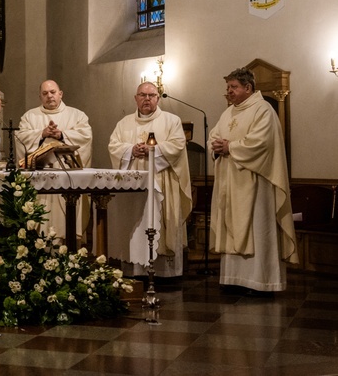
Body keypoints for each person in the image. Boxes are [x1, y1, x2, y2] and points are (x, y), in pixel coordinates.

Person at [209, 67, 298, 296]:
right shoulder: (228, 113)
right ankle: (233, 278)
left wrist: (231, 147)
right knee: (231, 225)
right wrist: (217, 147)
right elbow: (215, 136)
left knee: (257, 228)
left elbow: (261, 143)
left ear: (248, 88)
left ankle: (261, 282)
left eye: (233, 87)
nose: (228, 92)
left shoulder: (263, 110)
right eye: (227, 87)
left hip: (256, 182)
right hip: (231, 181)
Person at [107, 82, 192, 277]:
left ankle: (165, 274)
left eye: (151, 95)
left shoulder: (172, 121)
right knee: (136, 223)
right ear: (135, 98)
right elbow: (114, 145)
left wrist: (153, 150)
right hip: (134, 187)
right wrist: (131, 150)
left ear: (158, 98)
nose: (147, 99)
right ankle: (136, 270)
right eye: (142, 95)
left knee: (161, 222)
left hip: (162, 182)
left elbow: (178, 145)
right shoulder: (124, 123)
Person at [16, 80, 93, 240]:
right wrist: (42, 134)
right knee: (42, 219)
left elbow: (86, 137)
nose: (49, 96)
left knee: (67, 220)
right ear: (40, 96)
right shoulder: (30, 116)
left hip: (68, 180)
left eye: (52, 92)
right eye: (45, 93)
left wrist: (62, 135)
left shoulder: (77, 115)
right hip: (40, 181)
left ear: (60, 94)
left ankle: (70, 251)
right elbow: (21, 138)